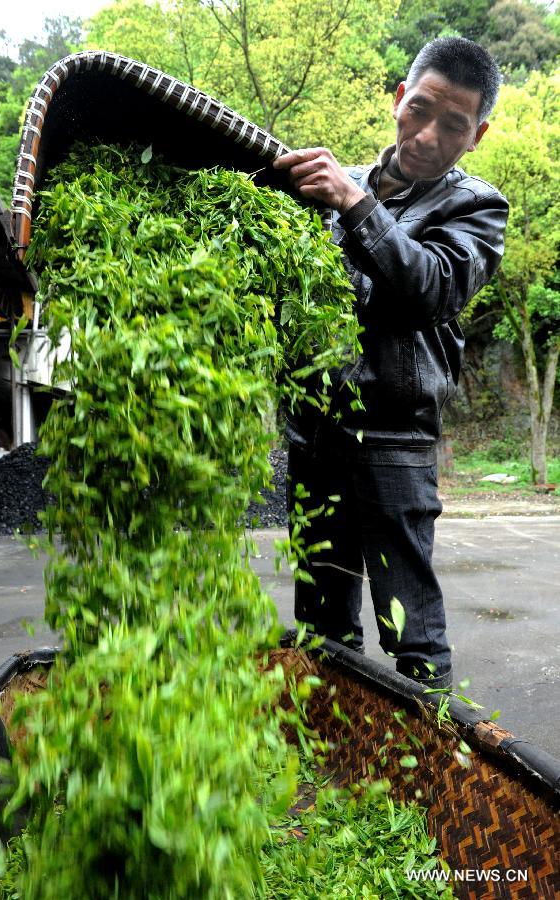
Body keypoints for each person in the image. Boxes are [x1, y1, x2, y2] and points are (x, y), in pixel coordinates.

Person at [273, 37, 509, 690]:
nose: (429, 135)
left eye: (453, 125)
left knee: (413, 634)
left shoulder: (476, 208)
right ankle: (326, 758)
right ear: (401, 98)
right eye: (421, 110)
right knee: (322, 623)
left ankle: (425, 778)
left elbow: (433, 285)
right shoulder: (334, 188)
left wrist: (354, 204)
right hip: (315, 434)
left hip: (394, 441)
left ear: (477, 134)